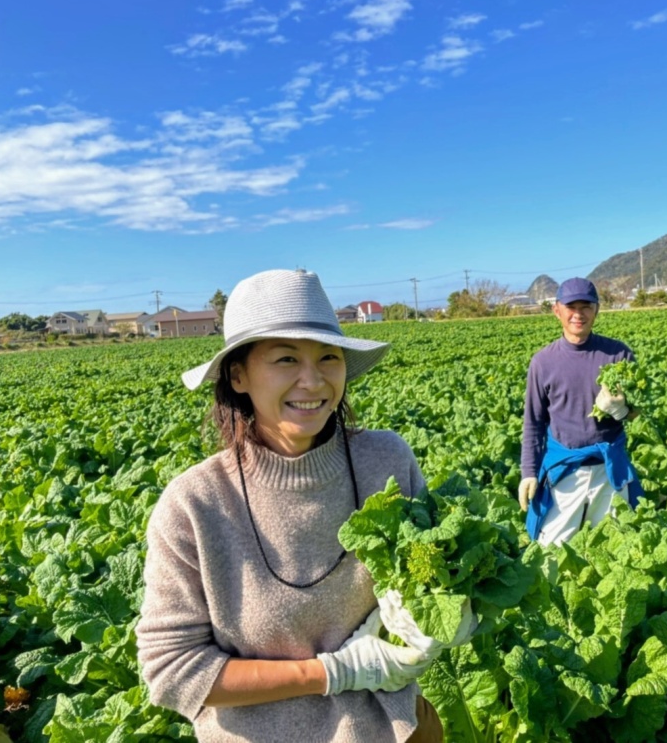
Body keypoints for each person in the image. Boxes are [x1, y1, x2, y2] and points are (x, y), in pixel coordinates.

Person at [136, 269, 464, 743]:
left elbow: (438, 582)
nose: (312, 381)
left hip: (399, 729)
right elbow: (173, 672)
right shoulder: (194, 505)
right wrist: (331, 673)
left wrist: (442, 616)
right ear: (238, 375)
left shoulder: (387, 460)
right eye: (286, 359)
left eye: (328, 358)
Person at [518, 277, 644, 546]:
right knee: (550, 550)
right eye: (570, 306)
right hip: (566, 471)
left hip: (609, 470)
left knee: (617, 549)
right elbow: (533, 423)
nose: (578, 314)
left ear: (597, 309)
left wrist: (622, 410)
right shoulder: (543, 362)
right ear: (557, 311)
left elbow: (637, 411)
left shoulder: (618, 355)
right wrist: (528, 472)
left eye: (586, 306)